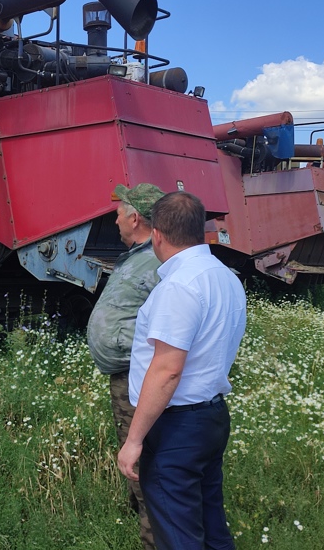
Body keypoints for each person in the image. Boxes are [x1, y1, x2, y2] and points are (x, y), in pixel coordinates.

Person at [117, 191, 247, 550]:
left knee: (179, 536)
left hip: (177, 427)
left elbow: (167, 370)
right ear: (199, 230)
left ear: (156, 234)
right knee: (211, 526)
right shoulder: (225, 277)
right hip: (211, 416)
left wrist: (134, 440)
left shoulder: (178, 286)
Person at [87, 182, 165, 550]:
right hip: (125, 375)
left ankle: (156, 538)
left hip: (139, 378)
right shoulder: (138, 256)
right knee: (134, 457)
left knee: (143, 463)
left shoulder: (159, 262)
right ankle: (144, 519)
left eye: (119, 210)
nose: (114, 216)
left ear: (135, 218)